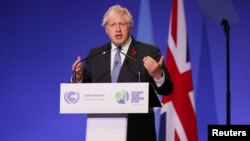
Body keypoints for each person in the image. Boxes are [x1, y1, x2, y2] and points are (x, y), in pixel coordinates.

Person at [71, 4, 173, 141]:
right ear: (106, 29)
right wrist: (78, 79)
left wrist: (157, 75)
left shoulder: (148, 52)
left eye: (122, 24)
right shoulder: (95, 55)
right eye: (112, 25)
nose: (117, 29)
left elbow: (167, 89)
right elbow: (84, 92)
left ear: (130, 26)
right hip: (102, 132)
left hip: (138, 133)